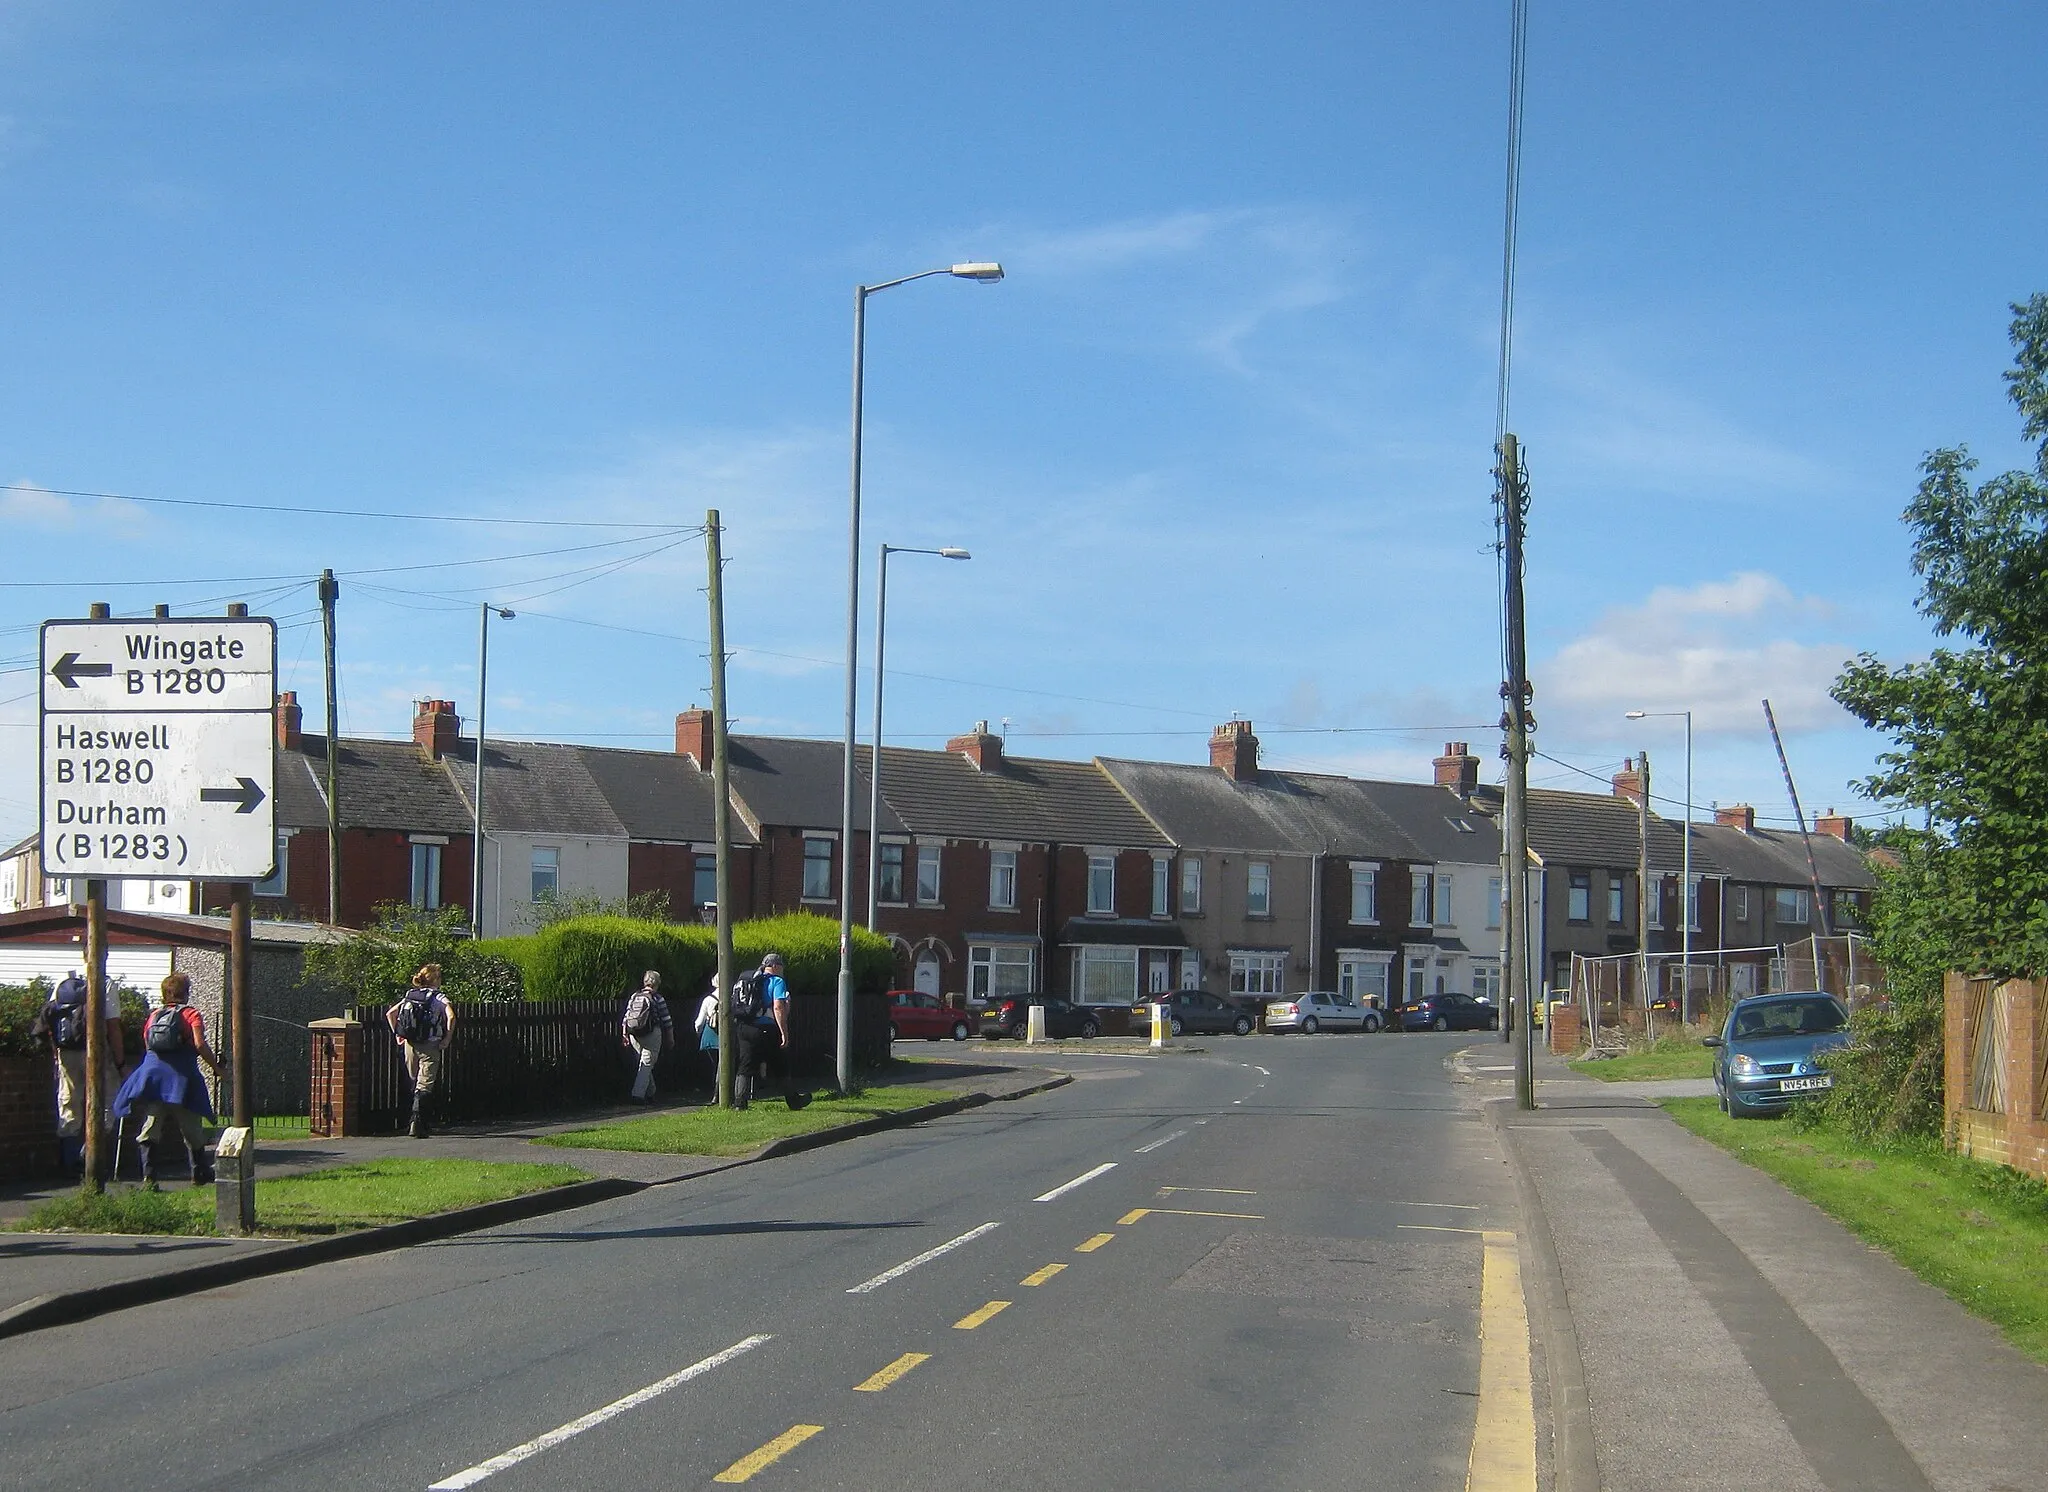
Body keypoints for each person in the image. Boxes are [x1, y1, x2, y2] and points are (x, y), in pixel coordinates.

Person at [111, 972, 219, 1188]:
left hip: (152, 1078)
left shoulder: (154, 1015)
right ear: (185, 992)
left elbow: (148, 1043)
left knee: (151, 1126)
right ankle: (199, 1174)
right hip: (181, 1078)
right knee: (191, 1129)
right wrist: (217, 1067)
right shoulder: (191, 1014)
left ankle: (149, 1178)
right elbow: (199, 1044)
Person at [33, 969, 125, 1178]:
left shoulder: (63, 979)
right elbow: (113, 1026)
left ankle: (69, 1162)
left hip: (66, 1052)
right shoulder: (105, 982)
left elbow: (50, 1019)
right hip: (97, 1050)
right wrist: (120, 1063)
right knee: (107, 1101)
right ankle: (88, 1158)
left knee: (69, 1103)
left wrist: (56, 1054)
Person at [727, 952, 808, 1111]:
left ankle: (739, 1103)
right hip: (766, 1029)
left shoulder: (748, 980)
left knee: (745, 1064)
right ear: (775, 966)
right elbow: (778, 1007)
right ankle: (794, 1101)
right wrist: (783, 1031)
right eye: (782, 966)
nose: (783, 969)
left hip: (744, 1027)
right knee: (780, 1065)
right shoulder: (777, 981)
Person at [386, 964, 454, 1138]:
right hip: (430, 1045)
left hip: (410, 1044)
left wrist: (398, 1034)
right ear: (436, 980)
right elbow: (451, 1016)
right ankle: (417, 1124)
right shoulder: (439, 997)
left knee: (414, 1081)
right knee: (425, 1086)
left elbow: (390, 1013)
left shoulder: (410, 995)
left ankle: (417, 1122)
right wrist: (446, 1038)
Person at [621, 970, 673, 1104]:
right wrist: (670, 1037)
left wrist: (624, 1034)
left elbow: (626, 1017)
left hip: (634, 1033)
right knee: (646, 1064)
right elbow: (666, 1020)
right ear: (657, 983)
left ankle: (651, 1093)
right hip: (651, 1034)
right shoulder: (658, 998)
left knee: (644, 1064)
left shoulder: (634, 996)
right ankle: (637, 1096)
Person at [692, 977, 720, 1094]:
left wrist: (698, 1033)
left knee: (713, 1064)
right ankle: (720, 1091)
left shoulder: (708, 999)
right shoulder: (732, 997)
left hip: (710, 1036)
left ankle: (714, 1090)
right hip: (726, 1036)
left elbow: (699, 1022)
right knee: (723, 1065)